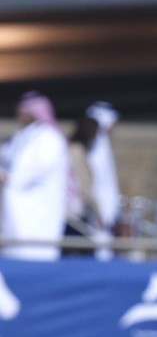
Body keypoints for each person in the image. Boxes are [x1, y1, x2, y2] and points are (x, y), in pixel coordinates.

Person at [0, 91, 69, 260]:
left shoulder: (49, 138)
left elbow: (34, 169)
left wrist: (8, 177)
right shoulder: (21, 137)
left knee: (34, 254)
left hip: (37, 213)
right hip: (14, 214)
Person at [64, 111, 105, 252]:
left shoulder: (69, 148)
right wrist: (98, 213)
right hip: (73, 213)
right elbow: (85, 186)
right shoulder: (77, 151)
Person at [85, 101, 122, 235]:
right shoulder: (96, 145)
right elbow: (95, 179)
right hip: (100, 209)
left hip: (107, 209)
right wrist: (98, 211)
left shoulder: (103, 143)